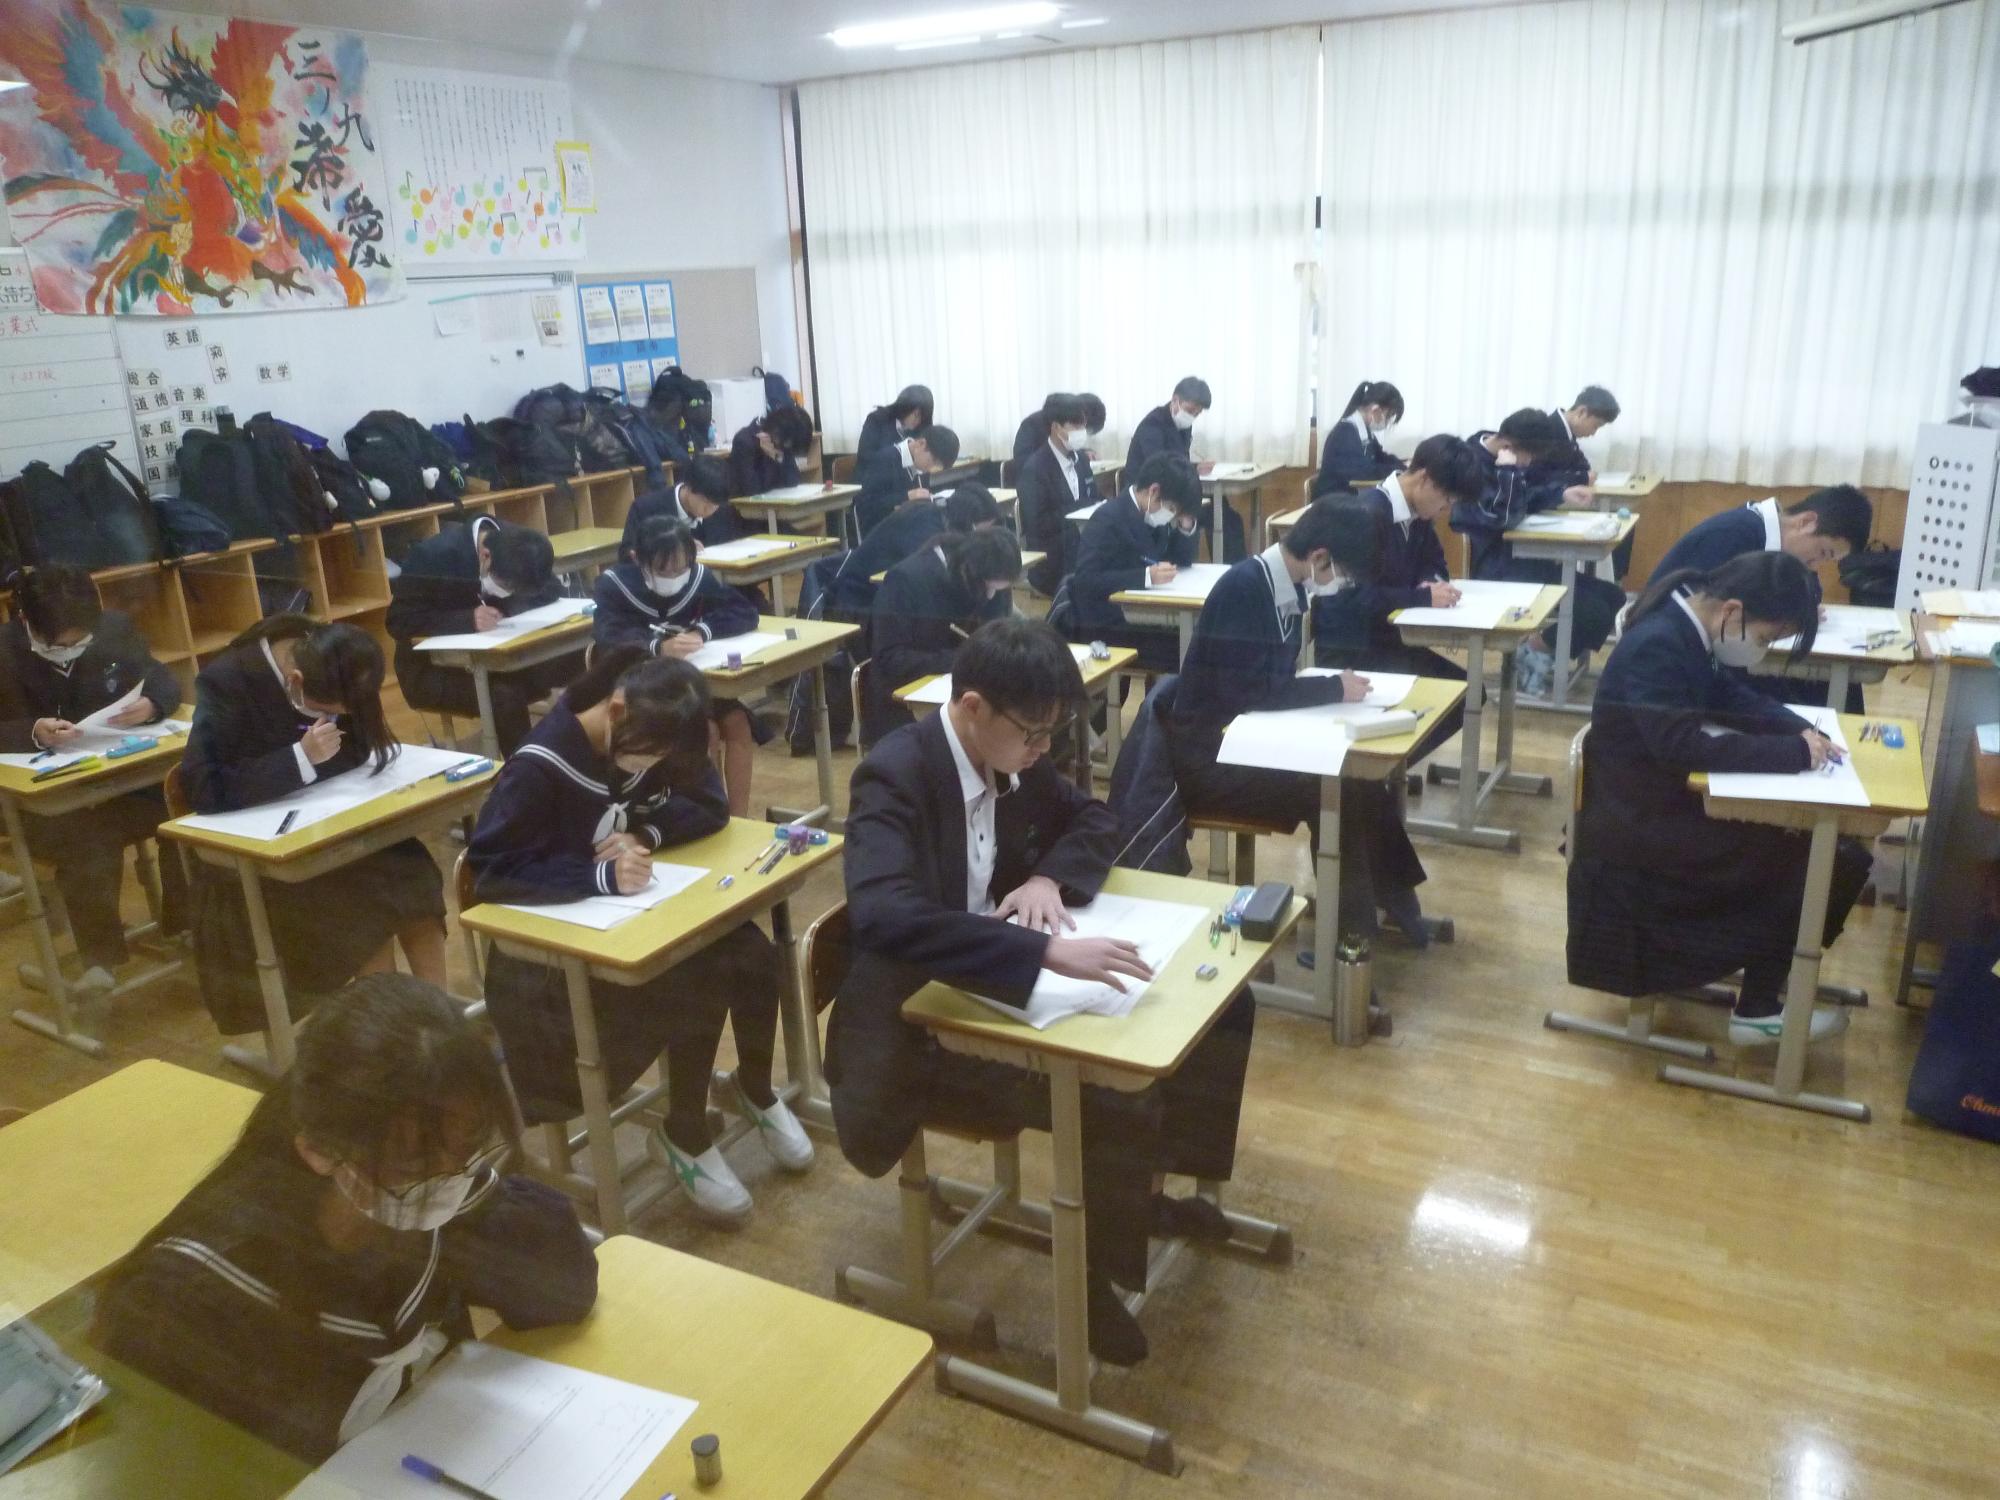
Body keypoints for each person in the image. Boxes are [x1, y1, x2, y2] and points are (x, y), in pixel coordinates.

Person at [829, 616, 1256, 1365]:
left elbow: (1093, 816)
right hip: (915, 1025)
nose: (1041, 750)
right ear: (972, 708)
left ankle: (1142, 1199)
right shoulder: (895, 775)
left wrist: (1046, 879)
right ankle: (1093, 1282)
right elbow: (885, 916)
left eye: (1050, 735)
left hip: (990, 991)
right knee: (1112, 1089)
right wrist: (1041, 950)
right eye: (1032, 733)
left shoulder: (1012, 758)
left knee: (1224, 1011)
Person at [94, 973, 598, 1463]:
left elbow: (562, 1291)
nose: (448, 1180)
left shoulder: (434, 1198)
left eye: (468, 1145)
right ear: (319, 1150)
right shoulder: (191, 1298)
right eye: (415, 1160)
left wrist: (477, 1191)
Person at [468, 649, 810, 1224]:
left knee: (751, 953)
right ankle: (686, 1131)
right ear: (616, 709)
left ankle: (753, 1087)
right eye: (650, 754)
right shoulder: (540, 766)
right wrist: (597, 876)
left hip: (633, 929)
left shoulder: (654, 730)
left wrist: (643, 832)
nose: (654, 767)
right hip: (549, 973)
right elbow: (492, 873)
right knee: (702, 973)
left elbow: (709, 807)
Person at [1568, 552, 1871, 1047]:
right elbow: (1679, 746)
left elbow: (1727, 696)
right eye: (1766, 638)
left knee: (1824, 847)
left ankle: (1766, 985)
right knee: (1818, 853)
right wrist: (1793, 753)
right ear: (1732, 610)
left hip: (1656, 802)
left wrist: (1800, 729)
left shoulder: (1688, 626)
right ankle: (1759, 1008)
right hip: (1637, 825)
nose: (1761, 649)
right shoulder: (1660, 643)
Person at [1169, 500, 1432, 941]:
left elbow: (1267, 686)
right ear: (1319, 557)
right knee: (1336, 791)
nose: (1341, 584)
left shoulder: (1287, 587)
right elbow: (1247, 693)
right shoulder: (1243, 589)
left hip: (1254, 742)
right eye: (1343, 574)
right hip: (1214, 760)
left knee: (1361, 780)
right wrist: (1332, 689)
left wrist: (1328, 690)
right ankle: (1349, 938)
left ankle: (1390, 905)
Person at [182, 617, 447, 1034]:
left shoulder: (342, 659)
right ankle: (392, 1034)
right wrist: (299, 760)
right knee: (365, 912)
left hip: (341, 825)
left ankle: (441, 1020)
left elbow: (359, 747)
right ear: (295, 681)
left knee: (416, 880)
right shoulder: (227, 682)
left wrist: (316, 765)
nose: (336, 719)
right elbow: (203, 787)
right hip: (276, 851)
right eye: (327, 712)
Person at [0, 565, 185, 994]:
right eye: (57, 645)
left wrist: (153, 703)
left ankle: (185, 925)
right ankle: (101, 960)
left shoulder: (113, 628)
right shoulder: (4, 652)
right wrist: (32, 731)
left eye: (79, 641)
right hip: (45, 802)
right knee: (86, 841)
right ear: (26, 620)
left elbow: (160, 677)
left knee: (185, 810)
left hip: (119, 784)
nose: (69, 651)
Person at [1647, 486, 1875, 709]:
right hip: (1680, 659)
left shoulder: (1772, 538)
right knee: (1804, 698)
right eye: (1823, 553)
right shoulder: (1735, 534)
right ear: (1806, 522)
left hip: (1717, 653)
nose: (1816, 565)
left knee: (1842, 691)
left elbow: (1810, 593)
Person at [594, 516, 763, 816]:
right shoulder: (614, 585)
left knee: (738, 722)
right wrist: (656, 647)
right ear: (637, 559)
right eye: (663, 570)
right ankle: (709, 811)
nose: (674, 576)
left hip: (694, 682)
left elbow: (744, 611)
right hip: (643, 689)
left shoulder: (697, 578)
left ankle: (739, 818)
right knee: (706, 730)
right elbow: (609, 637)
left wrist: (703, 632)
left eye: (681, 568)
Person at [1452, 408, 1624, 697]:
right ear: (1509, 445)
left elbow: (1526, 495)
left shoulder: (1510, 455)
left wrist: (1560, 494)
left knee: (1613, 596)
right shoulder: (1471, 467)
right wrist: (1509, 472)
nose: (1529, 464)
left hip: (1527, 560)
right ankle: (1532, 652)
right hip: (1499, 568)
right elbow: (1503, 517)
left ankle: (1537, 651)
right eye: (1528, 457)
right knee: (1592, 611)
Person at [1312, 434, 1483, 720]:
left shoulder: (1417, 514)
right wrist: (1422, 596)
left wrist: (1432, 581)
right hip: (1353, 649)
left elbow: (1435, 563)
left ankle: (1402, 747)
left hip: (1387, 637)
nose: (1445, 510)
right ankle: (1392, 747)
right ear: (1425, 479)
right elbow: (1352, 598)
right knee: (1462, 697)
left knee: (1468, 692)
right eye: (1446, 500)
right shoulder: (1366, 514)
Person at [385, 517, 566, 756]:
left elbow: (551, 589)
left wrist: (506, 606)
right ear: (485, 556)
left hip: (501, 659)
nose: (508, 592)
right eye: (506, 586)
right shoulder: (432, 556)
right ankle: (524, 771)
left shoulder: (520, 545)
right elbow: (399, 621)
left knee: (572, 659)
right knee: (505, 693)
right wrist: (468, 619)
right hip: (434, 670)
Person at [863, 525, 1021, 747]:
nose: (990, 595)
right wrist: (964, 660)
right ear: (968, 571)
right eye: (988, 587)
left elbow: (996, 633)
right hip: (904, 703)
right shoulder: (906, 581)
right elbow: (889, 659)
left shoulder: (984, 578)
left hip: (964, 692)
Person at [1054, 452, 1202, 674]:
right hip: (1107, 622)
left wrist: (1186, 524)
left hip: (1142, 613)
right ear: (1154, 491)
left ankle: (1158, 696)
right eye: (1172, 509)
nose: (1171, 516)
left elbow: (1181, 560)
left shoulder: (1152, 513)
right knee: (1187, 649)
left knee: (1194, 640)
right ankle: (1160, 697)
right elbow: (1086, 580)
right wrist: (1145, 577)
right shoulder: (1108, 518)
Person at [825, 483, 1002, 623]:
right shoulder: (925, 528)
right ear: (969, 523)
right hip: (860, 605)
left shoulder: (939, 515)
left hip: (884, 599)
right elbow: (927, 581)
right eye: (983, 531)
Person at [1127, 375, 1246, 560]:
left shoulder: (1183, 425)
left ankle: (1230, 569)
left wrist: (1196, 467)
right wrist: (1191, 471)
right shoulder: (1152, 426)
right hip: (1153, 495)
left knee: (1226, 515)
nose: (1192, 417)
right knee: (1205, 513)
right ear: (1175, 400)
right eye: (1190, 410)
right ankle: (1184, 559)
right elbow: (1160, 468)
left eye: (1197, 414)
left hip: (1174, 488)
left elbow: (1178, 460)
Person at [1531, 385, 1628, 576]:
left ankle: (1610, 578)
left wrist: (1581, 475)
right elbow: (1539, 476)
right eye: (1596, 426)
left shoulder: (1567, 433)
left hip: (1555, 501)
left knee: (1618, 527)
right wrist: (1580, 477)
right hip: (1540, 505)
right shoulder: (1548, 429)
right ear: (1582, 412)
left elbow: (1583, 467)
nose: (1594, 433)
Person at [1017, 393, 1095, 597]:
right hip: (1053, 560)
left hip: (1080, 550)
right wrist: (1078, 511)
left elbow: (1093, 497)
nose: (1081, 431)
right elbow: (1038, 524)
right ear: (1055, 427)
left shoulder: (1081, 460)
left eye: (1083, 425)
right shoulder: (1035, 469)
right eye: (1075, 425)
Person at [618, 455, 741, 559]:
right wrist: (672, 549)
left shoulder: (721, 509)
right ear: (688, 487)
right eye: (705, 501)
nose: (710, 509)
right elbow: (627, 555)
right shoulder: (646, 508)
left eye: (715, 505)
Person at [853, 422, 961, 538]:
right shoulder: (885, 460)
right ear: (921, 444)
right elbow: (866, 506)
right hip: (881, 533)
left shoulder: (920, 464)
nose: (931, 468)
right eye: (933, 461)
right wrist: (906, 497)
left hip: (908, 527)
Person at [1313, 379, 1404, 498]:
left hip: (1349, 497)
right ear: (1376, 410)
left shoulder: (1364, 431)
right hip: (1333, 501)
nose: (1387, 422)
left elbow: (1381, 457)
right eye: (1389, 416)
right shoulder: (1345, 433)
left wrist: (1403, 466)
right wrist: (1396, 469)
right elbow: (1365, 473)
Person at [726, 403, 816, 500]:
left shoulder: (783, 443)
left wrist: (778, 458)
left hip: (778, 502)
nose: (786, 447)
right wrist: (769, 458)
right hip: (749, 506)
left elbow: (794, 481)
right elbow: (752, 490)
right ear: (776, 429)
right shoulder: (744, 441)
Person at [857, 384, 935, 463]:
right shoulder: (877, 419)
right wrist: (903, 450)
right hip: (876, 470)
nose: (918, 421)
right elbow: (865, 458)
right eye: (916, 415)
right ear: (906, 407)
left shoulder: (922, 427)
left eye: (923, 417)